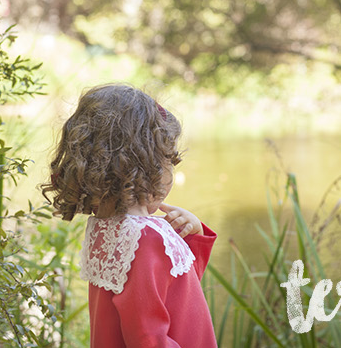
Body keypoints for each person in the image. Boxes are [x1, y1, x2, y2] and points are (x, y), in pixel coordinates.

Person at [41, 84, 218, 347]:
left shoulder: (107, 229)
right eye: (170, 160)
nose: (172, 171)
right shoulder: (147, 238)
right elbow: (147, 338)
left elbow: (178, 297)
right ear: (147, 165)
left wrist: (192, 237)